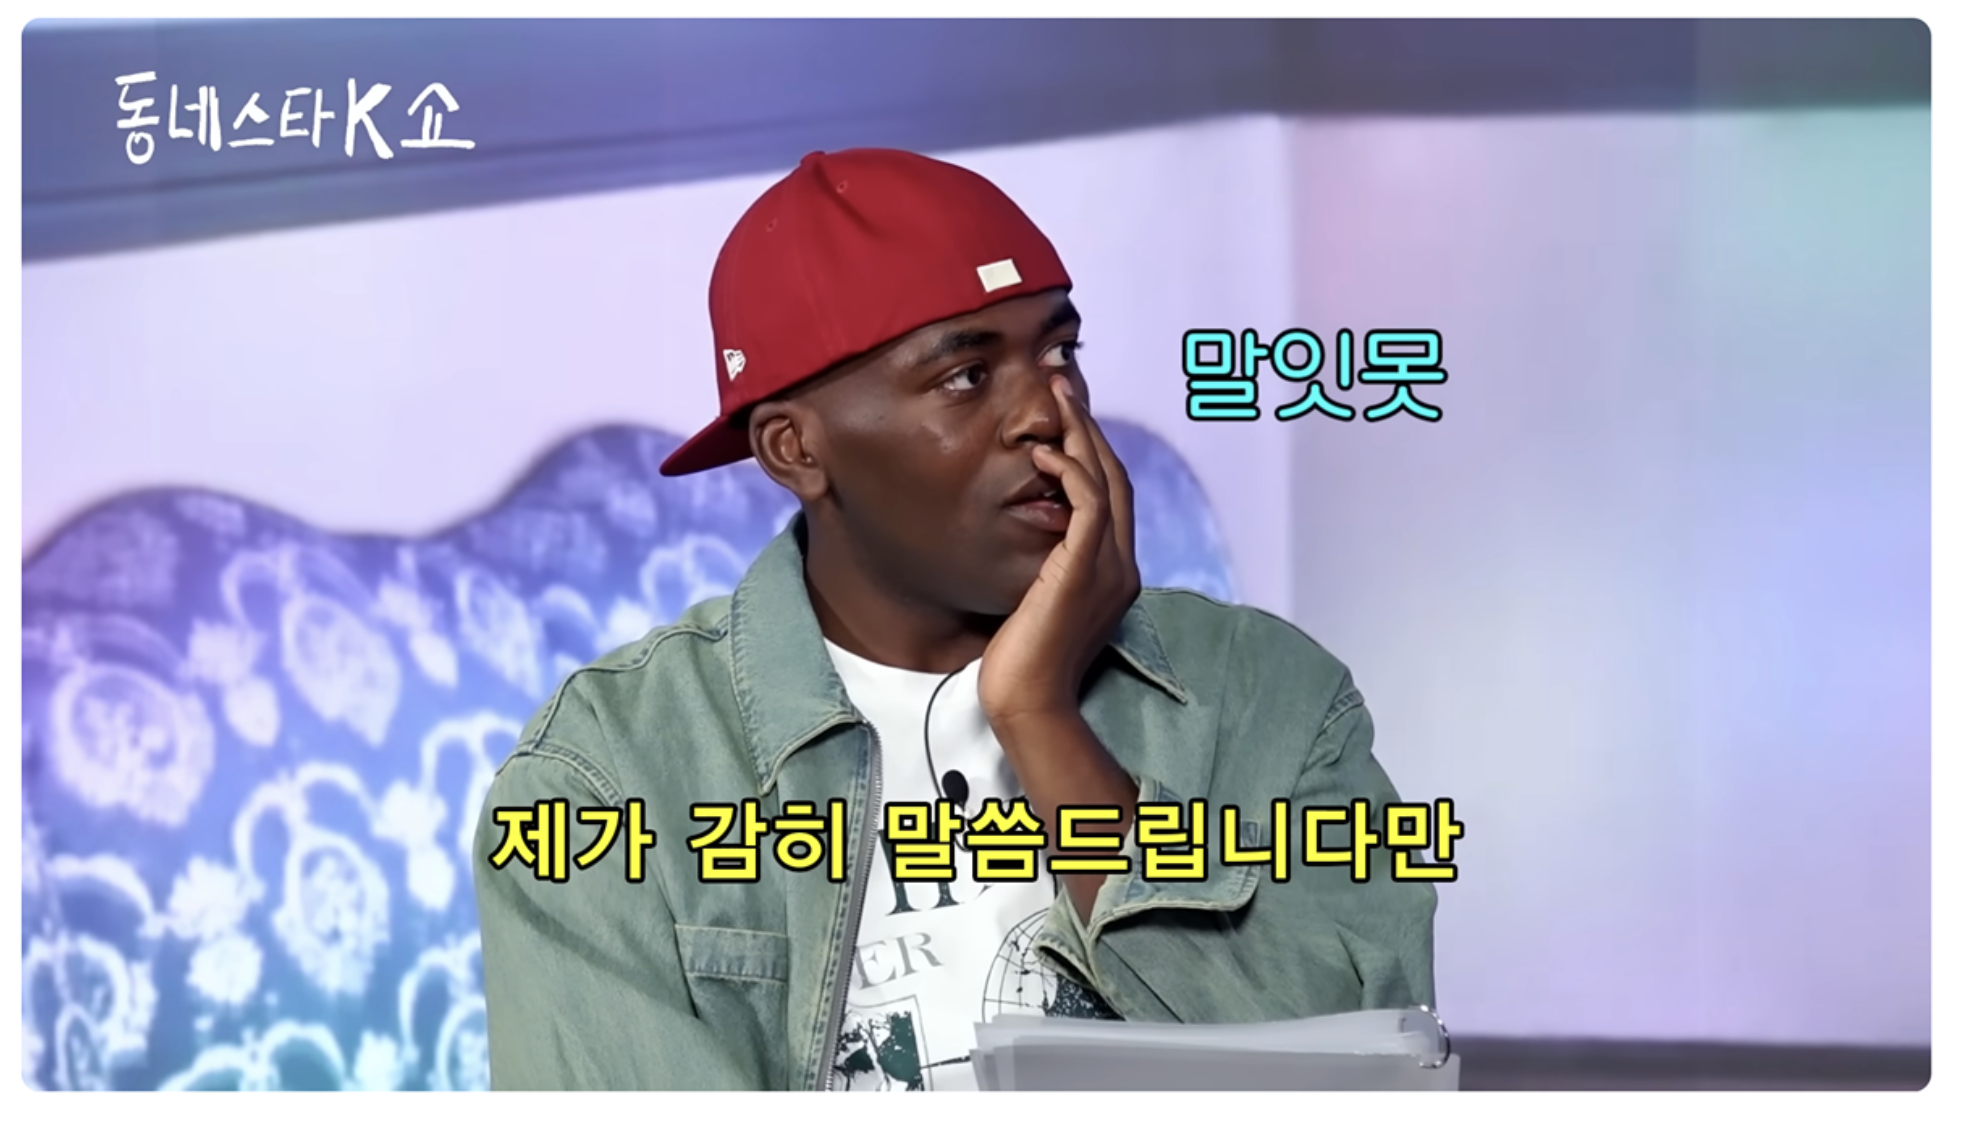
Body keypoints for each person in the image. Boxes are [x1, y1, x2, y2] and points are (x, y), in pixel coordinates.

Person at [472, 148, 1437, 1092]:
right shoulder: (606, 779)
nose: (1048, 414)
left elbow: (1356, 1088)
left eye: (1059, 353)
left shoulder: (1270, 697)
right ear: (794, 449)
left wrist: (1040, 717)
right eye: (967, 376)